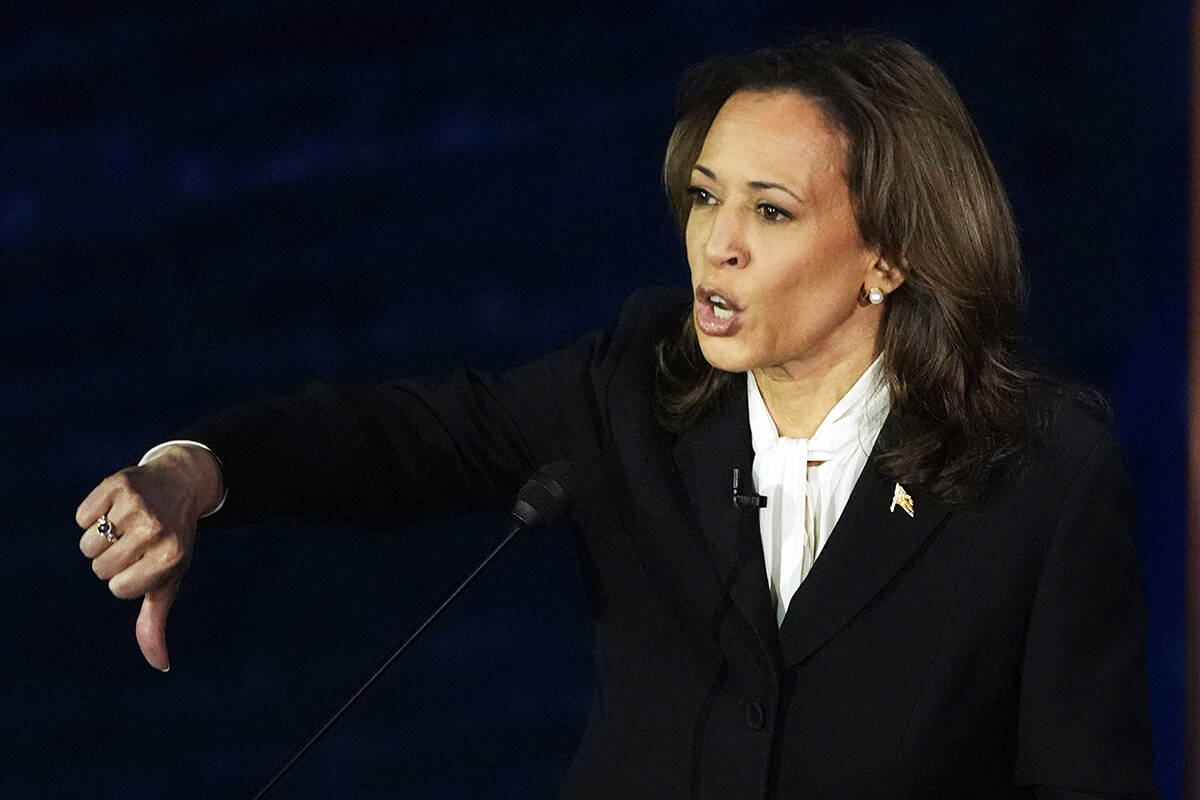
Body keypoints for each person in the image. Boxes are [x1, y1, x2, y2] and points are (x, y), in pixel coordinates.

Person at [76, 32, 1158, 798]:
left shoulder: (1040, 470)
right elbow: (401, 437)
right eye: (704, 194)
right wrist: (196, 473)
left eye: (768, 210)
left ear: (889, 254)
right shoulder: (637, 384)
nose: (714, 243)